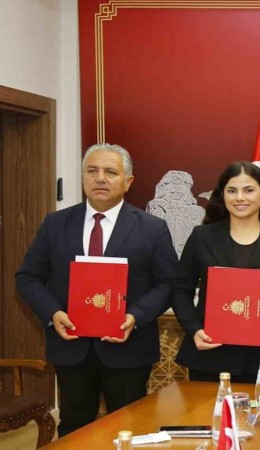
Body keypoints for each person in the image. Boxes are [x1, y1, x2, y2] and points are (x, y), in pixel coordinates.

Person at [16, 143, 178, 437]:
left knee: (129, 428)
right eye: (92, 171)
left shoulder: (152, 228)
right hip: (71, 348)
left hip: (129, 348)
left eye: (110, 172)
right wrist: (53, 314)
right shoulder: (55, 223)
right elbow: (28, 277)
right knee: (74, 428)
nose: (100, 178)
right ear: (83, 177)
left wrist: (135, 317)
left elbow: (168, 283)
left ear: (128, 181)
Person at [171, 162, 260, 382]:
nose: (240, 198)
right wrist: (194, 329)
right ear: (222, 195)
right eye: (232, 191)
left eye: (249, 190)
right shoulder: (201, 236)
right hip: (209, 350)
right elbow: (180, 289)